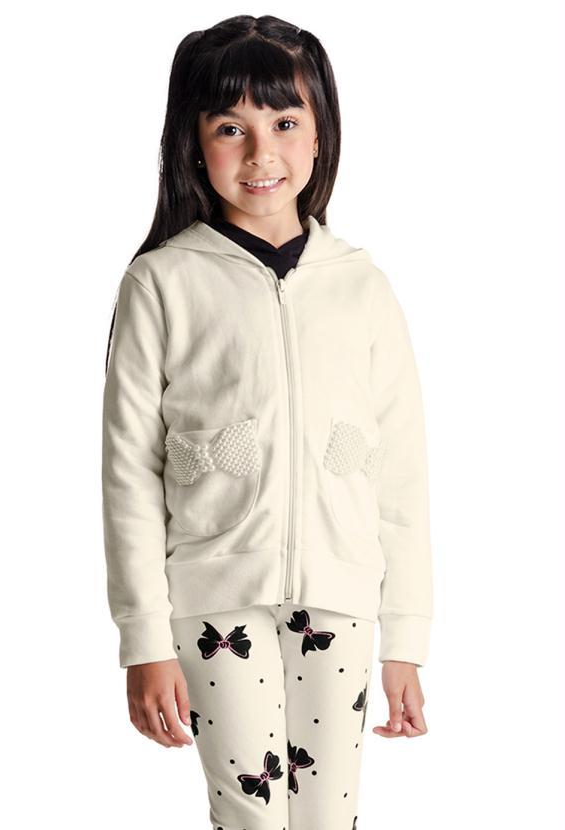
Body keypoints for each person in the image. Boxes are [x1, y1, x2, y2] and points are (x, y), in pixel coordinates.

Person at [101, 13, 433, 830]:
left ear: (320, 135)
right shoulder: (162, 283)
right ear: (192, 140)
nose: (261, 153)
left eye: (284, 123)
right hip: (215, 603)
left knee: (327, 819)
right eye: (230, 128)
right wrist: (144, 639)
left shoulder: (361, 287)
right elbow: (129, 474)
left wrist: (405, 637)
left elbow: (400, 474)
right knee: (249, 817)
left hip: (341, 601)